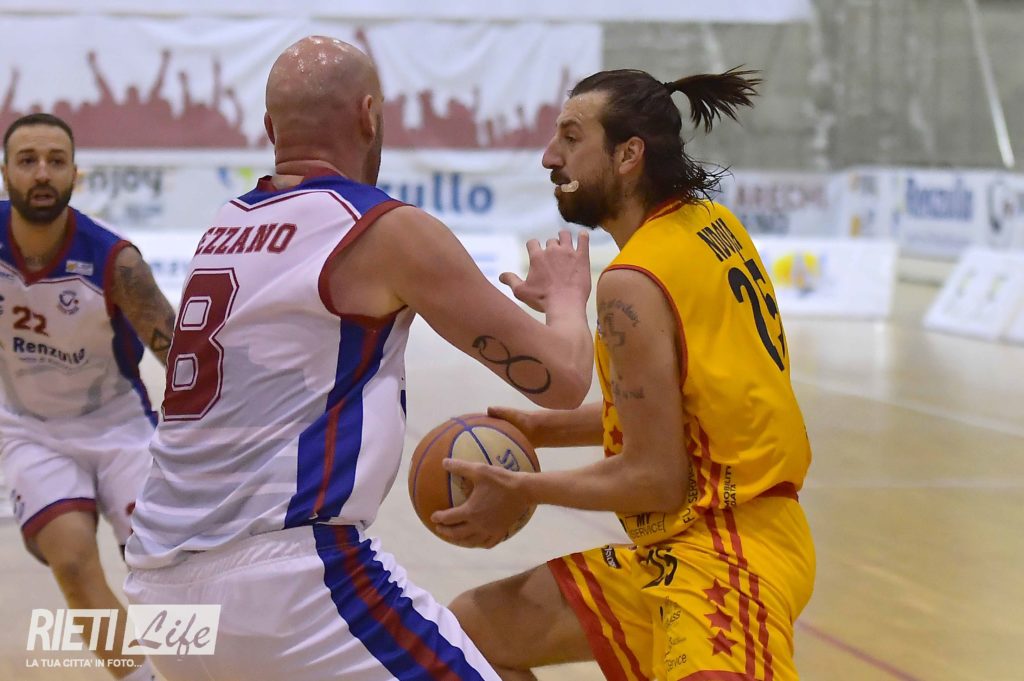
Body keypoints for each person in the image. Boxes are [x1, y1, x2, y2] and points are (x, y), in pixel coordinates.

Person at [123, 36, 593, 681]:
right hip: (288, 587)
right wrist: (566, 297)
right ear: (369, 115)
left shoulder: (223, 227)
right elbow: (563, 380)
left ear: (270, 129)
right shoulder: (382, 229)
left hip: (158, 592)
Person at [436, 68, 816, 681]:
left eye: (570, 138)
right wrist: (541, 431)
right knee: (477, 630)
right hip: (691, 544)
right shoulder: (709, 225)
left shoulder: (632, 282)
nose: (549, 156)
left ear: (628, 154)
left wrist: (523, 488)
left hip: (726, 558)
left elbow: (655, 478)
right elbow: (679, 409)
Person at [1, 112, 175, 681]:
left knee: (168, 574)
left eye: (56, 161)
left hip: (121, 428)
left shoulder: (116, 262)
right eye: (28, 160)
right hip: (29, 430)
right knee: (73, 564)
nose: (42, 173)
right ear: (5, 172)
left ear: (75, 173)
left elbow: (182, 360)